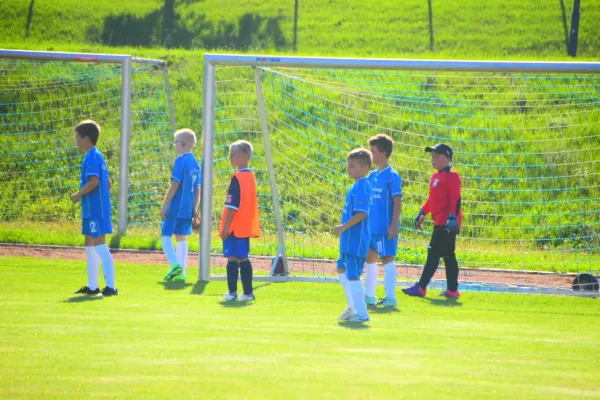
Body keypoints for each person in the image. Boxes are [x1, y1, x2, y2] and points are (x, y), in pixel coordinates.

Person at [403, 143, 462, 298]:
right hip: (439, 222)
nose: (433, 158)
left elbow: (456, 199)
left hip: (446, 224)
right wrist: (423, 211)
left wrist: (453, 218)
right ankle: (452, 290)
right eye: (432, 155)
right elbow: (432, 200)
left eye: (437, 155)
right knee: (448, 255)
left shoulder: (452, 177)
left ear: (447, 158)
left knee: (434, 254)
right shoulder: (435, 177)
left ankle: (421, 287)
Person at [70, 120, 117, 297]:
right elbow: (108, 182)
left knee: (100, 246)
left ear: (87, 138)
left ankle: (111, 287)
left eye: (78, 138)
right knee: (89, 247)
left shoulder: (92, 156)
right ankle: (92, 286)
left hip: (96, 210)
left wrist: (77, 194)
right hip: (91, 209)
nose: (76, 141)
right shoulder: (96, 155)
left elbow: (95, 182)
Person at [364, 134, 403, 307]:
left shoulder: (392, 176)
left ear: (384, 153)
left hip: (385, 228)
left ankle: (390, 298)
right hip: (372, 227)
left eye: (374, 152)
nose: (371, 155)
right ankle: (369, 297)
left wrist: (393, 224)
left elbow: (397, 201)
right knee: (370, 258)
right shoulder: (372, 176)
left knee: (387, 259)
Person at [220, 140, 261, 302]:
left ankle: (232, 293)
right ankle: (248, 293)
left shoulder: (237, 178)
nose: (230, 157)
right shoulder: (250, 177)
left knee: (232, 258)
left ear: (245, 156)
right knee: (243, 258)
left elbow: (232, 206)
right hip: (245, 226)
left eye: (233, 154)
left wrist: (225, 227)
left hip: (235, 227)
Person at [335, 148, 373, 322]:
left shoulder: (363, 185)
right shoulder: (356, 185)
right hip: (349, 240)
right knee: (341, 267)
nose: (348, 169)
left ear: (364, 168)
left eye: (353, 166)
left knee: (353, 274)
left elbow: (362, 213)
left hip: (356, 240)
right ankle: (352, 307)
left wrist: (344, 226)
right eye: (348, 166)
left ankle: (362, 314)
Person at [161, 128, 201, 282]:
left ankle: (175, 265)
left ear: (182, 144)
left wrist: (165, 204)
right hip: (187, 208)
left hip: (176, 206)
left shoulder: (181, 161)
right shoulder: (195, 163)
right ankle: (182, 272)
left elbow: (174, 184)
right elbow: (198, 189)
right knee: (181, 237)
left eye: (175, 142)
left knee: (165, 235)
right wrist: (195, 209)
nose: (174, 145)